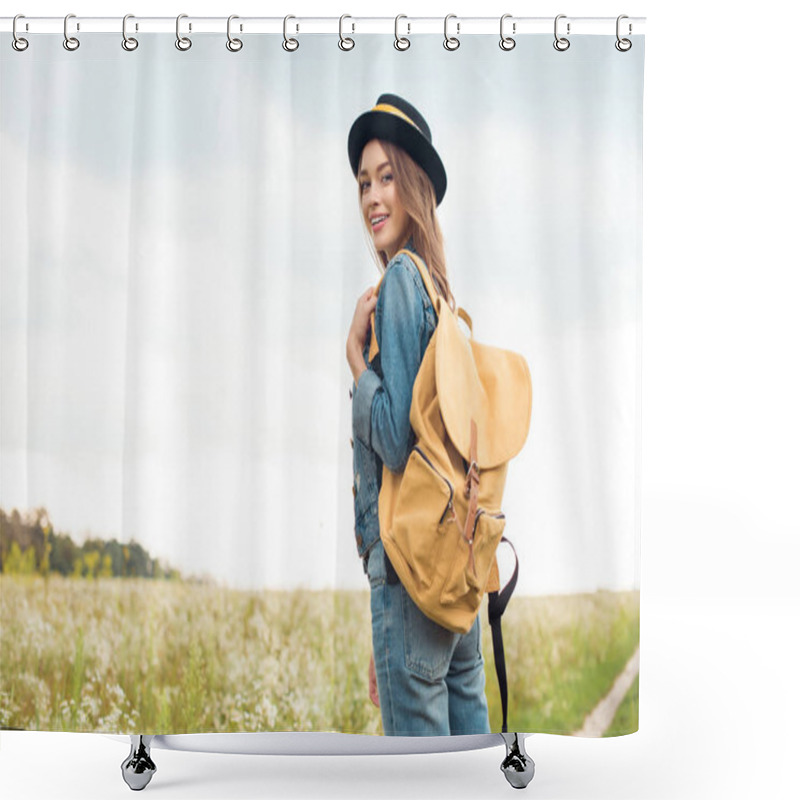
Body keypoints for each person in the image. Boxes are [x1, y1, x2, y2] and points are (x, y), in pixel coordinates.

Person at [345, 94, 491, 736]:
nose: (373, 197)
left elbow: (397, 443)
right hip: (454, 582)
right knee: (468, 769)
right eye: (363, 183)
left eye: (385, 178)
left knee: (418, 782)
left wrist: (355, 361)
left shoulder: (402, 281)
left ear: (413, 187)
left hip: (411, 579)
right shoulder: (442, 294)